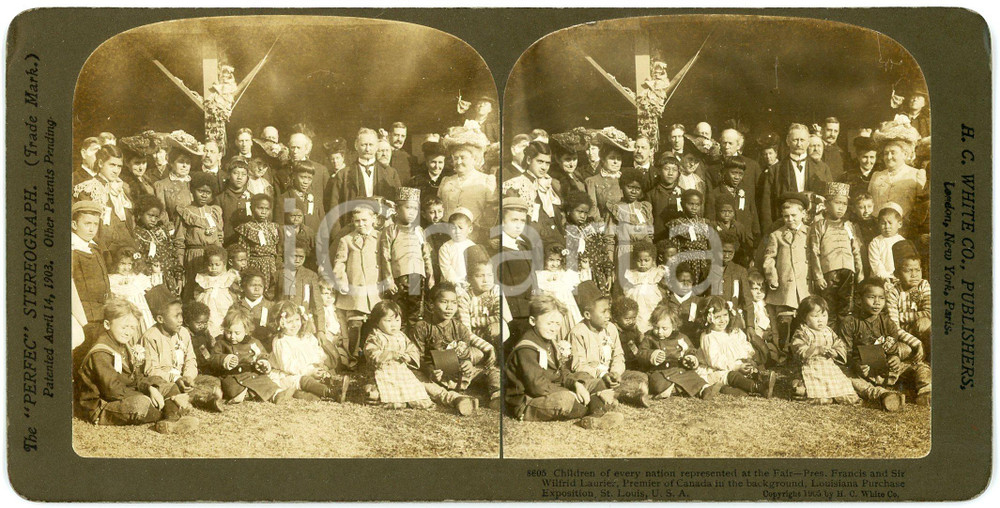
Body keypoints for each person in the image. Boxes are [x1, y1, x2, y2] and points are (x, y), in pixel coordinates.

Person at [74, 299, 200, 433]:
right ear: (107, 324)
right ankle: (171, 412)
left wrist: (150, 387)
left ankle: (170, 420)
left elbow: (135, 376)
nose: (128, 332)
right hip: (102, 405)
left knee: (162, 383)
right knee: (141, 404)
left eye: (132, 328)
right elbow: (112, 391)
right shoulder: (101, 352)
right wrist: (145, 393)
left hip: (123, 392)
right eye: (124, 327)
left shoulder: (123, 345)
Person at [503, 293, 624, 428]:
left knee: (590, 380)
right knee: (565, 400)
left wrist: (576, 384)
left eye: (557, 324)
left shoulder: (550, 342)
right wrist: (568, 392)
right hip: (528, 401)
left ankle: (594, 414)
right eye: (549, 323)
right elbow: (537, 387)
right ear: (533, 321)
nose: (554, 328)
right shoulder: (527, 348)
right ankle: (598, 407)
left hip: (550, 389)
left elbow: (562, 372)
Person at [838, 279, 929, 409]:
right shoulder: (850, 322)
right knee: (848, 379)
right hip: (862, 372)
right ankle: (883, 395)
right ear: (858, 300)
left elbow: (892, 346)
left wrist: (895, 358)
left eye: (881, 298)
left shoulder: (887, 323)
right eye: (871, 297)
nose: (877, 302)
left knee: (920, 367)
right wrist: (857, 364)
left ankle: (926, 391)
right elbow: (844, 352)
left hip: (885, 370)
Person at [411, 282, 500, 406]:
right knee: (417, 379)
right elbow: (417, 357)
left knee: (492, 372)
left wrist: (467, 363)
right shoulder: (422, 327)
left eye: (454, 303)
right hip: (434, 375)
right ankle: (455, 399)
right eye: (444, 302)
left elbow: (464, 353)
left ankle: (497, 396)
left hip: (458, 374)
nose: (450, 307)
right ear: (431, 305)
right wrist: (430, 370)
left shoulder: (460, 328)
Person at [141, 288, 226, 412]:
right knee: (167, 388)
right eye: (176, 316)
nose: (181, 319)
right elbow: (151, 370)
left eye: (181, 314)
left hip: (183, 379)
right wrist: (176, 379)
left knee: (214, 381)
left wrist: (188, 377)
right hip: (167, 381)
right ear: (160, 319)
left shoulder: (183, 332)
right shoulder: (150, 337)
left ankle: (188, 399)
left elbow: (190, 359)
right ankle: (196, 399)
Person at [205, 307, 292, 405]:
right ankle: (247, 395)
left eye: (237, 333)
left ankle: (277, 394)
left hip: (251, 374)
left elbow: (262, 355)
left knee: (265, 382)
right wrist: (225, 359)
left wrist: (263, 362)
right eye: (228, 332)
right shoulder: (221, 343)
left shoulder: (253, 342)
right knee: (231, 387)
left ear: (246, 330)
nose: (232, 336)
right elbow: (213, 358)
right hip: (232, 376)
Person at [268, 301, 351, 402]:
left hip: (310, 370)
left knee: (324, 375)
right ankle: (330, 392)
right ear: (279, 323)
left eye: (297, 320)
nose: (294, 325)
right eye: (289, 322)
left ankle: (335, 386)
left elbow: (317, 351)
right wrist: (309, 371)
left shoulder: (306, 336)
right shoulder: (281, 341)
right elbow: (288, 366)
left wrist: (320, 364)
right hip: (288, 374)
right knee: (304, 381)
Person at [808, 182, 864, 327]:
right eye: (837, 203)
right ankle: (829, 339)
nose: (841, 207)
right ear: (826, 204)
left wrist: (860, 270)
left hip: (848, 272)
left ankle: (844, 344)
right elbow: (814, 251)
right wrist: (818, 276)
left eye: (844, 204)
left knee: (847, 309)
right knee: (829, 308)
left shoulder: (848, 225)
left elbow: (855, 249)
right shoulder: (820, 225)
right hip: (829, 273)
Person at [698, 296, 777, 398]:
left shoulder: (734, 332)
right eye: (717, 317)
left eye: (725, 315)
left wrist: (748, 359)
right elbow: (715, 361)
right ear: (708, 318)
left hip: (738, 366)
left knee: (752, 371)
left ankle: (747, 385)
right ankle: (758, 388)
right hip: (718, 370)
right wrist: (736, 367)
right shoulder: (708, 336)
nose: (722, 320)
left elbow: (745, 346)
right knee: (732, 376)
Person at [363, 301, 435, 409]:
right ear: (377, 322)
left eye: (397, 320)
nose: (394, 324)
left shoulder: (401, 336)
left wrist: (409, 357)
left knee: (415, 390)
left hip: (401, 371)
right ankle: (385, 399)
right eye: (388, 321)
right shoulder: (376, 336)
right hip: (382, 372)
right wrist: (389, 355)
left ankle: (410, 400)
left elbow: (412, 349)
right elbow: (371, 353)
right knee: (380, 393)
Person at [789, 296, 859, 405]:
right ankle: (813, 394)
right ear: (804, 317)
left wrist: (835, 353)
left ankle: (836, 395)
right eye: (815, 316)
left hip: (828, 366)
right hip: (810, 367)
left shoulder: (828, 331)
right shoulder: (803, 332)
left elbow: (839, 344)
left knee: (845, 392)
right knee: (815, 393)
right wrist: (816, 350)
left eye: (824, 315)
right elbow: (798, 348)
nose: (820, 319)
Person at [380, 187, 435, 326]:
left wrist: (430, 275)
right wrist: (389, 279)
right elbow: (385, 255)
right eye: (408, 208)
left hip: (417, 276)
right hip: (399, 277)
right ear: (397, 209)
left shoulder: (419, 230)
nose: (412, 212)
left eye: (415, 209)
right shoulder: (391, 230)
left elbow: (426, 254)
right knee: (399, 311)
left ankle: (414, 343)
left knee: (415, 312)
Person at [638, 305, 717, 400]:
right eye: (656, 327)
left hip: (679, 369)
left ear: (674, 326)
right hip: (659, 371)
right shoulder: (649, 338)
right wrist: (652, 354)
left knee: (693, 377)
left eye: (664, 328)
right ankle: (679, 388)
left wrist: (690, 357)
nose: (659, 332)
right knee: (657, 384)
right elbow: (641, 353)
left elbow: (690, 350)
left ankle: (702, 389)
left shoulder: (681, 338)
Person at [333, 204, 383, 355]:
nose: (361, 224)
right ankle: (353, 356)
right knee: (355, 323)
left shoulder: (380, 237)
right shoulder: (346, 240)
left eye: (364, 220)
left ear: (373, 219)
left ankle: (370, 355)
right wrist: (341, 280)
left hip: (374, 288)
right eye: (357, 221)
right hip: (355, 288)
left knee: (375, 324)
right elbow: (340, 262)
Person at [760, 123, 830, 229]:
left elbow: (829, 198)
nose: (798, 144)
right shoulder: (775, 170)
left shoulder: (822, 168)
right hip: (783, 226)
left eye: (802, 140)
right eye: (795, 140)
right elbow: (766, 205)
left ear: (808, 142)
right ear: (788, 141)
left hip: (814, 226)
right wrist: (769, 230)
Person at [762, 193, 811, 343]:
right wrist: (772, 277)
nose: (790, 219)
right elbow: (769, 258)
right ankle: (784, 350)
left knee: (805, 318)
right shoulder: (776, 235)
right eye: (786, 216)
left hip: (804, 284)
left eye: (794, 215)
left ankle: (800, 349)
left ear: (803, 213)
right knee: (785, 320)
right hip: (785, 285)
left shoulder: (810, 233)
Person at [72, 145, 137, 255]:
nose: (116, 171)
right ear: (101, 163)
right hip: (104, 250)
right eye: (112, 165)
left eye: (119, 166)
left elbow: (129, 224)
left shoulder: (123, 190)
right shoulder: (88, 190)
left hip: (127, 249)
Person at [438, 127, 497, 231]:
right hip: (447, 233)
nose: (459, 162)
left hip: (475, 234)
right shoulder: (446, 181)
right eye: (456, 158)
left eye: (463, 157)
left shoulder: (486, 180)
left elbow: (491, 212)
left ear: (474, 159)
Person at [175, 171, 224, 287]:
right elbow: (179, 243)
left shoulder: (215, 212)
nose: (204, 195)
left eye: (208, 192)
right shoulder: (185, 212)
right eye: (201, 191)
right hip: (193, 259)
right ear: (193, 190)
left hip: (213, 261)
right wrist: (179, 270)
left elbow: (220, 239)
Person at [868, 121, 926, 216]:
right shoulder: (876, 176)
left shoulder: (916, 175)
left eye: (893, 152)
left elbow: (922, 206)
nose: (889, 157)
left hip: (905, 227)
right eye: (886, 153)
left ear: (905, 154)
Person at [132, 195, 184, 295]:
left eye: (156, 216)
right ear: (140, 213)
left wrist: (179, 277)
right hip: (152, 280)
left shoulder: (162, 230)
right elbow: (139, 261)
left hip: (169, 279)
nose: (153, 219)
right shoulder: (136, 234)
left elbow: (173, 254)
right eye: (150, 215)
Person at [71, 201, 111, 327]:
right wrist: (82, 322)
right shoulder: (73, 251)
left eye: (95, 224)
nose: (92, 229)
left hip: (101, 313)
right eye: (87, 223)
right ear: (74, 224)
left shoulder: (94, 248)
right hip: (85, 318)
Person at [235, 194, 280, 299]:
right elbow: (244, 250)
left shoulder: (273, 227)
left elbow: (278, 248)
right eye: (260, 208)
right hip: (255, 265)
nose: (263, 211)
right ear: (252, 208)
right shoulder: (247, 228)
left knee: (271, 292)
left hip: (271, 265)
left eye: (267, 209)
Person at [585, 127, 634, 220]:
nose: (616, 162)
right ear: (603, 159)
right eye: (612, 158)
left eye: (618, 159)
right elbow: (593, 211)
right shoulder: (592, 182)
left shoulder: (625, 180)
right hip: (605, 228)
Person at [192, 245, 239, 338]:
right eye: (211, 265)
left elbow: (235, 292)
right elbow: (197, 292)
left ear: (224, 264)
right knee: (210, 323)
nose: (214, 267)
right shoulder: (203, 278)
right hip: (208, 305)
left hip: (223, 305)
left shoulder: (227, 277)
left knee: (224, 322)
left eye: (217, 265)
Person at [535, 246, 584, 333]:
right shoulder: (541, 275)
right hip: (553, 309)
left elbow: (574, 281)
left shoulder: (563, 273)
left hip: (568, 309)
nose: (555, 264)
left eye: (558, 260)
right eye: (551, 260)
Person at [107, 247, 155, 331]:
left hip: (143, 313)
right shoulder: (112, 279)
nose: (126, 268)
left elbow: (151, 286)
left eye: (129, 264)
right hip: (125, 314)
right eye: (122, 264)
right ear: (116, 264)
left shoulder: (137, 277)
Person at [621, 241, 664, 333]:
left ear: (653, 260)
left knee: (652, 323)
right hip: (637, 305)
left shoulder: (656, 273)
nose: (642, 263)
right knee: (638, 324)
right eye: (639, 260)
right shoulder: (631, 275)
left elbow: (663, 290)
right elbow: (626, 291)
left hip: (651, 305)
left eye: (646, 260)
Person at [868, 202, 908, 282]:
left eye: (890, 223)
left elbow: (906, 262)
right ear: (879, 224)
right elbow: (876, 263)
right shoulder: (875, 242)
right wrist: (886, 277)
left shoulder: (903, 242)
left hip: (898, 279)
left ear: (899, 224)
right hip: (880, 279)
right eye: (883, 223)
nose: (887, 227)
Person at [438, 208, 477, 288]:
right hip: (450, 284)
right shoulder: (445, 247)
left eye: (460, 227)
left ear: (470, 229)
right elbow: (446, 269)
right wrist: (456, 282)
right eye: (453, 228)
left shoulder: (473, 246)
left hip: (469, 284)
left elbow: (476, 267)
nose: (457, 231)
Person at [840, 135, 879, 200]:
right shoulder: (847, 177)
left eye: (872, 157)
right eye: (865, 157)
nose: (868, 161)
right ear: (858, 157)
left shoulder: (880, 176)